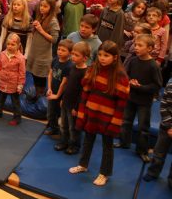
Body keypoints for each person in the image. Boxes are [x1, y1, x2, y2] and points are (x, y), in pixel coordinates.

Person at [69, 41, 130, 186]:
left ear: (115, 57)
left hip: (107, 118)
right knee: (88, 140)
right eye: (100, 55)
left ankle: (105, 173)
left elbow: (121, 105)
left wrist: (115, 123)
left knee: (107, 146)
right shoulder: (92, 70)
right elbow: (85, 94)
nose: (102, 58)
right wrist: (82, 114)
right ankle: (83, 164)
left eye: (106, 55)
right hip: (92, 114)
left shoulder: (120, 76)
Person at [117, 35, 162, 162]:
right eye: (136, 45)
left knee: (143, 127)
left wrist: (140, 87)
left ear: (150, 48)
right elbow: (126, 76)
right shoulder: (133, 61)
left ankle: (141, 150)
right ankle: (124, 142)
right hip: (130, 98)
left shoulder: (153, 66)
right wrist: (129, 82)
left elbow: (157, 85)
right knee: (126, 121)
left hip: (144, 101)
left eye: (140, 45)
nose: (136, 47)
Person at [55, 41, 90, 155]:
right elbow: (68, 85)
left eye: (76, 55)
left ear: (85, 58)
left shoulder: (85, 72)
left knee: (73, 127)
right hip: (66, 102)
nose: (73, 57)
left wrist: (77, 108)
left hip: (74, 106)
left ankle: (74, 145)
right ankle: (64, 142)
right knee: (63, 124)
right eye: (73, 54)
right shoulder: (72, 68)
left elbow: (82, 93)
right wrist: (63, 99)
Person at [27, 0, 60, 102]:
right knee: (34, 74)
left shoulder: (53, 21)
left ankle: (39, 95)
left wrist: (41, 30)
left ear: (51, 8)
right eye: (41, 5)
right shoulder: (41, 17)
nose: (42, 8)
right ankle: (37, 92)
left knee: (40, 76)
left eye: (45, 6)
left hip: (43, 54)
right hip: (35, 51)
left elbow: (54, 39)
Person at [143, 78, 172, 188]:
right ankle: (153, 172)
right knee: (159, 152)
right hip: (167, 126)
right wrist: (169, 126)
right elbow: (164, 106)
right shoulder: (170, 84)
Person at [0, 33, 26, 126]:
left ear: (18, 45)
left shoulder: (21, 58)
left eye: (13, 44)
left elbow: (22, 73)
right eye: (8, 44)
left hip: (13, 84)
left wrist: (20, 85)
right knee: (0, 100)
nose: (10, 46)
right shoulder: (3, 54)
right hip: (2, 82)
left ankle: (17, 118)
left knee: (15, 103)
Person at [44, 39, 73, 135]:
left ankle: (58, 129)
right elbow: (50, 74)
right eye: (59, 49)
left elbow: (64, 83)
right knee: (50, 111)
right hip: (53, 91)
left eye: (63, 50)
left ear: (70, 53)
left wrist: (57, 96)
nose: (60, 52)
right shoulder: (55, 59)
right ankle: (53, 127)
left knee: (59, 112)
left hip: (61, 94)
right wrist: (49, 88)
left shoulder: (69, 66)